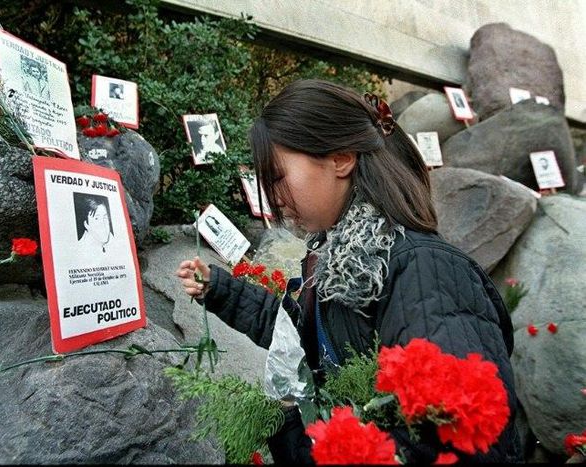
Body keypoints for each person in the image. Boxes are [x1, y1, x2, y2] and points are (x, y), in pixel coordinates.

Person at [176, 79, 523, 463]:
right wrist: (223, 291)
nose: (272, 196)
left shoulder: (425, 271)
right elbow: (304, 335)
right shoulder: (344, 261)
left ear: (341, 159)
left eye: (276, 176)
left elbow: (459, 438)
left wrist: (298, 437)